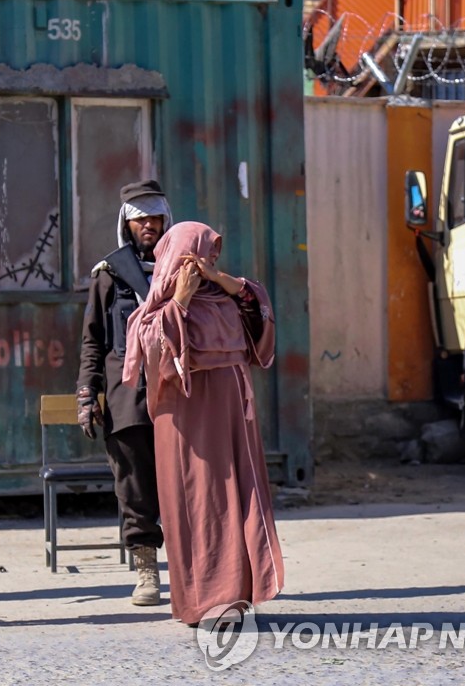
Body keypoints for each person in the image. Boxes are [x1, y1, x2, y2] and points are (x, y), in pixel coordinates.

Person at [123, 221, 284, 625]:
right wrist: (179, 299)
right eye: (200, 252)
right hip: (186, 419)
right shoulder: (155, 309)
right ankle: (200, 602)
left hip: (232, 413)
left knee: (237, 498)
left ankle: (233, 598)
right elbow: (154, 354)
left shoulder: (225, 296)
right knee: (197, 502)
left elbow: (258, 311)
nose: (206, 261)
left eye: (213, 254)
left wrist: (220, 279)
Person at [77, 179, 170, 606]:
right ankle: (147, 569)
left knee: (184, 485)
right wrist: (86, 395)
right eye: (140, 219)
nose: (149, 225)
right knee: (133, 485)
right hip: (126, 395)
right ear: (127, 224)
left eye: (155, 217)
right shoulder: (108, 275)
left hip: (177, 393)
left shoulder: (185, 268)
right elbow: (92, 341)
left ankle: (192, 570)